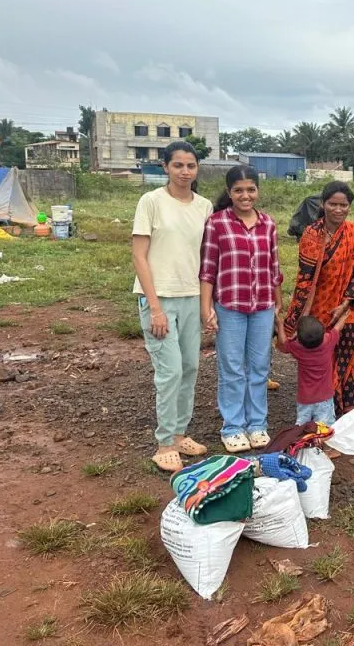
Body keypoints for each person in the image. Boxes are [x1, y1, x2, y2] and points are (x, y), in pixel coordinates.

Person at [132, 141, 213, 473]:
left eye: (190, 165)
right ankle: (164, 442)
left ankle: (180, 434)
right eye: (177, 165)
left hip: (192, 296)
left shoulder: (204, 206)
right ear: (165, 167)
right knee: (170, 372)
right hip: (159, 298)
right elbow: (139, 255)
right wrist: (154, 308)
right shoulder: (151, 202)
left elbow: (209, 258)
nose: (184, 171)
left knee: (190, 367)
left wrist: (209, 304)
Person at [199, 166, 283, 453]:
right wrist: (206, 307)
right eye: (238, 190)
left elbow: (274, 267)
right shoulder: (217, 223)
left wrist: (277, 302)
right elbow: (208, 269)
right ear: (229, 192)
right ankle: (233, 426)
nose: (245, 195)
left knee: (259, 368)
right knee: (232, 368)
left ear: (257, 191)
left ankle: (257, 424)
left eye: (250, 189)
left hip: (262, 307)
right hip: (230, 306)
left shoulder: (268, 224)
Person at [283, 181, 354, 417]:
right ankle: (323, 410)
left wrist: (347, 302)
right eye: (333, 204)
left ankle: (347, 409)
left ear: (349, 206)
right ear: (323, 204)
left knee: (349, 354)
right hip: (318, 306)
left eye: (344, 205)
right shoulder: (312, 234)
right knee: (322, 358)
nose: (338, 209)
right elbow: (305, 277)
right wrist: (296, 317)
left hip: (347, 305)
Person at [276, 311, 350, 426]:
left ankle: (306, 442)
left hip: (305, 398)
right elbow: (337, 328)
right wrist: (344, 316)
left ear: (299, 339)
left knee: (303, 428)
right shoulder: (328, 342)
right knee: (325, 428)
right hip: (325, 398)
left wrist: (280, 324)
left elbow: (283, 343)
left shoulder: (297, 348)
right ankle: (320, 442)